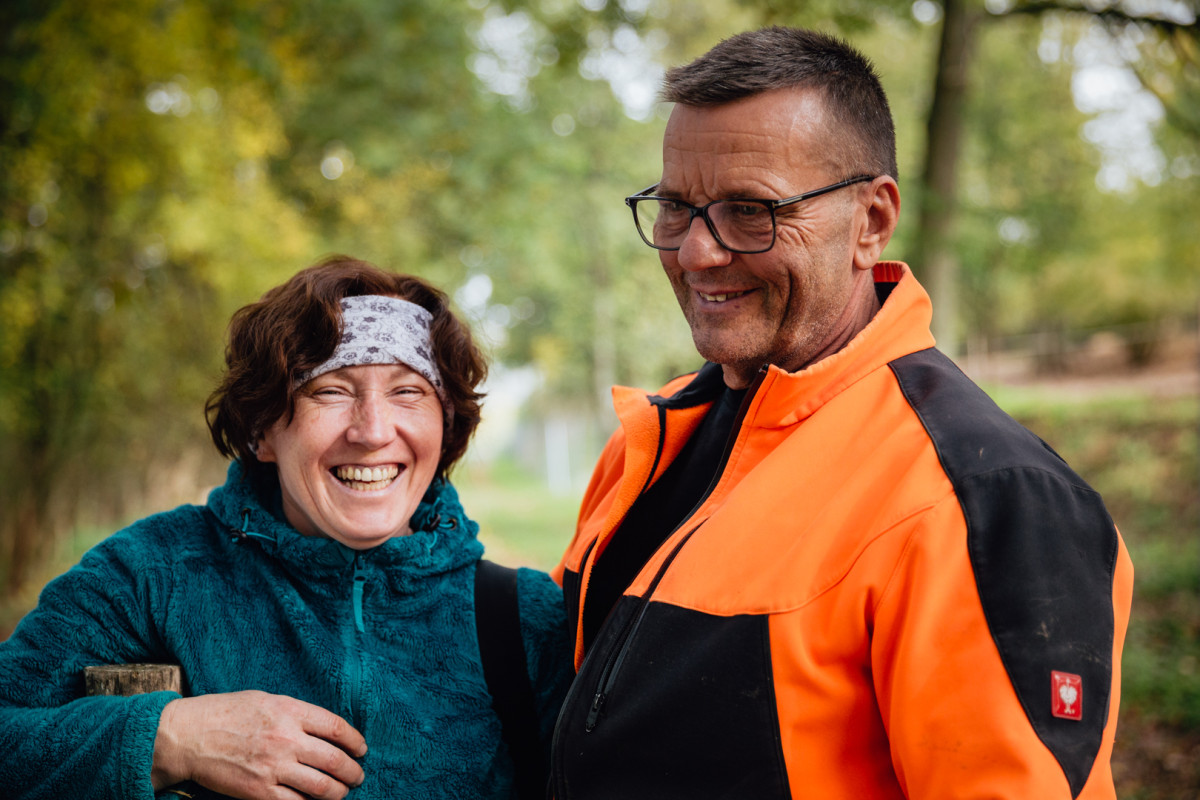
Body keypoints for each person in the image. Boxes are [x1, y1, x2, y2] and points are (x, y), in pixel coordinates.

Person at [550, 26, 1134, 799]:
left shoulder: (982, 497)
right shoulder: (652, 441)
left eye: (749, 210)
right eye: (677, 208)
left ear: (872, 221)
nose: (696, 252)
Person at [0, 256, 572, 800]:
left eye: (407, 391)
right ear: (262, 431)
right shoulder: (152, 574)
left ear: (444, 429)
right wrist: (171, 739)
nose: (373, 431)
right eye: (330, 390)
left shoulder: (524, 619)